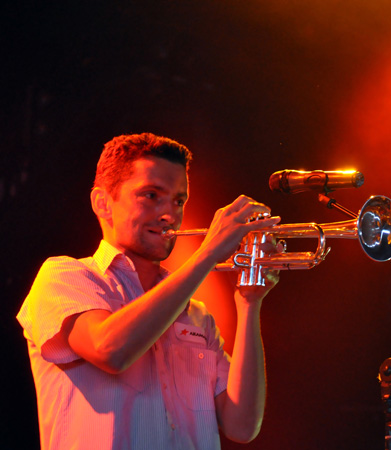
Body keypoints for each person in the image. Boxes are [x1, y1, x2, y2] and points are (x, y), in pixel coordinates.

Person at [17, 133, 281, 450]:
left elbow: (242, 426)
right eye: (151, 195)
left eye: (179, 200)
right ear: (102, 203)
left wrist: (249, 303)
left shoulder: (196, 313)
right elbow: (111, 351)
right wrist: (207, 254)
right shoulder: (65, 276)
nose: (170, 214)